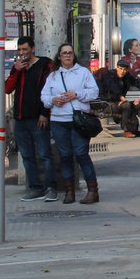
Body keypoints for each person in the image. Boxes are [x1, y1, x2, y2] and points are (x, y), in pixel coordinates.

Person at [42, 44, 101, 204]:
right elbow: (44, 96)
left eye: (70, 53)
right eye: (64, 53)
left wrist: (76, 94)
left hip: (78, 121)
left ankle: (92, 191)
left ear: (73, 56)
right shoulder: (53, 75)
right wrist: (53, 100)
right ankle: (69, 192)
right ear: (59, 57)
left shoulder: (83, 72)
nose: (67, 56)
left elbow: (94, 92)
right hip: (58, 121)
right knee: (65, 156)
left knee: (81, 154)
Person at [5, 37, 59, 202]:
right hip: (20, 119)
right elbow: (7, 89)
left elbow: (52, 89)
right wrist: (16, 71)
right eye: (19, 50)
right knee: (27, 155)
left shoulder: (44, 65)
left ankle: (51, 188)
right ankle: (36, 188)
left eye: (25, 50)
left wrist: (44, 112)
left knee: (44, 154)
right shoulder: (18, 68)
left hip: (38, 118)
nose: (22, 53)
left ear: (32, 49)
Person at [96, 59, 140, 137]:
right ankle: (126, 130)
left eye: (125, 69)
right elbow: (113, 86)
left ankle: (138, 130)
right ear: (117, 68)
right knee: (126, 105)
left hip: (121, 101)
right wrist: (120, 97)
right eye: (121, 69)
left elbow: (138, 82)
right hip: (107, 103)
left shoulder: (127, 76)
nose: (123, 71)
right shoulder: (109, 75)